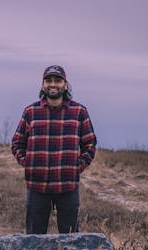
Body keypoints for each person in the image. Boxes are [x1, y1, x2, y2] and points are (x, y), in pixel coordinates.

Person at [11, 65, 97, 234]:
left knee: (70, 239)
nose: (53, 84)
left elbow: (90, 144)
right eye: (48, 80)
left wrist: (76, 167)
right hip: (37, 186)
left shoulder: (79, 112)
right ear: (43, 84)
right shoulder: (31, 112)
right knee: (34, 239)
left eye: (58, 81)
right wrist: (28, 163)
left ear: (65, 84)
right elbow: (17, 143)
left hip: (67, 185)